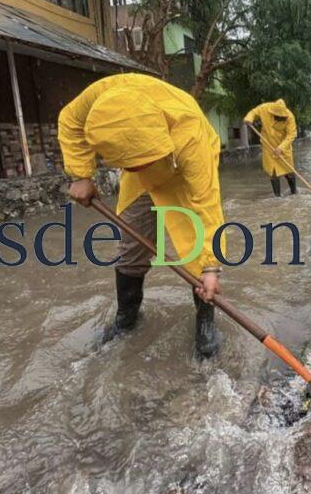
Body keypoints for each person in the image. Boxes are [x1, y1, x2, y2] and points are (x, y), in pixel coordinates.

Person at [58, 73, 226, 358]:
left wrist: (211, 268)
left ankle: (204, 321)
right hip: (139, 180)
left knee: (195, 247)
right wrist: (81, 174)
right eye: (132, 164)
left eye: (143, 162)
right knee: (132, 247)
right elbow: (69, 122)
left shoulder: (191, 136)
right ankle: (127, 318)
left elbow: (206, 203)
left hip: (179, 171)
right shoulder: (101, 97)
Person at [244, 99, 298, 196]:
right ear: (273, 114)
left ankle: (294, 193)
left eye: (283, 117)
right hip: (268, 146)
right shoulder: (265, 108)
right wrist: (249, 118)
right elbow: (253, 112)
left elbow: (292, 135)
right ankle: (277, 197)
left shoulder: (290, 117)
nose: (281, 118)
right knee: (273, 173)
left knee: (289, 170)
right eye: (279, 117)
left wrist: (280, 148)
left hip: (283, 147)